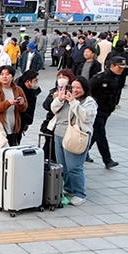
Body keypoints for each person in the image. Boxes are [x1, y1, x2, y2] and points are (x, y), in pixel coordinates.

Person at [48, 76, 97, 206]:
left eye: (78, 88)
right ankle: (69, 188)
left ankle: (80, 193)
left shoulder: (89, 102)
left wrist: (73, 102)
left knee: (74, 167)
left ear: (85, 89)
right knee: (62, 165)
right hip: (59, 134)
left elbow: (86, 117)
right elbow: (53, 109)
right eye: (73, 87)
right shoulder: (66, 97)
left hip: (77, 137)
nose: (75, 90)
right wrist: (59, 99)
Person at [0, 65, 27, 186]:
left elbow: (24, 107)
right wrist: (7, 103)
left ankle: (6, 177)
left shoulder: (17, 89)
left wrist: (21, 104)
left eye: (7, 74)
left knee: (10, 154)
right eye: (2, 74)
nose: (5, 77)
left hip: (13, 128)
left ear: (12, 76)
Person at [88, 57, 125, 169]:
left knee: (95, 134)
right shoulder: (99, 78)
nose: (121, 70)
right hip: (97, 111)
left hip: (107, 110)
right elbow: (88, 92)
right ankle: (107, 160)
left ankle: (82, 152)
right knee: (100, 135)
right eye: (119, 67)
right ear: (112, 66)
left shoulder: (117, 79)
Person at [41, 69, 76, 162]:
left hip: (67, 125)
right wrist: (53, 98)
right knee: (49, 148)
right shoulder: (54, 91)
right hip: (52, 124)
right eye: (59, 77)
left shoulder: (73, 92)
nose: (61, 79)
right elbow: (46, 106)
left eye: (64, 77)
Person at [14, 70, 41, 144]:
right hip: (16, 123)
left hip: (24, 122)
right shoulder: (18, 91)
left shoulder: (33, 91)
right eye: (35, 80)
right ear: (28, 81)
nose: (37, 83)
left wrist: (27, 123)